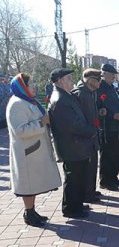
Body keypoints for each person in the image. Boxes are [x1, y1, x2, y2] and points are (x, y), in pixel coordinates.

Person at [6, 73, 61, 227]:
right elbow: (20, 130)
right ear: (22, 87)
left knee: (33, 184)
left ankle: (32, 211)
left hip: (34, 151)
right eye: (30, 84)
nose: (34, 86)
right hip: (26, 152)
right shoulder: (16, 104)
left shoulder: (29, 101)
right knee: (28, 186)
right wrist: (42, 123)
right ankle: (28, 213)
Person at [48, 68, 97, 219]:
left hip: (77, 145)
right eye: (69, 78)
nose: (71, 81)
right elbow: (72, 125)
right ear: (60, 81)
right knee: (73, 178)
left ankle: (77, 204)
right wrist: (91, 131)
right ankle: (70, 209)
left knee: (79, 176)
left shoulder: (65, 96)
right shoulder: (60, 99)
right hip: (71, 146)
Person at [71, 68, 103, 203]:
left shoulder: (90, 93)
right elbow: (80, 118)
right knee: (87, 167)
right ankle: (86, 194)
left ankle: (90, 190)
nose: (100, 82)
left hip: (91, 135)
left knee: (92, 166)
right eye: (98, 80)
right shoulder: (80, 94)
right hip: (85, 137)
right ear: (90, 81)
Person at [97, 63, 119, 191]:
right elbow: (99, 108)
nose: (114, 77)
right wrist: (112, 115)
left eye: (114, 75)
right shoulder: (100, 88)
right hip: (107, 127)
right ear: (104, 74)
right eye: (112, 75)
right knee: (107, 155)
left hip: (116, 127)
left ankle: (113, 177)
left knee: (116, 155)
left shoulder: (111, 88)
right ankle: (105, 181)